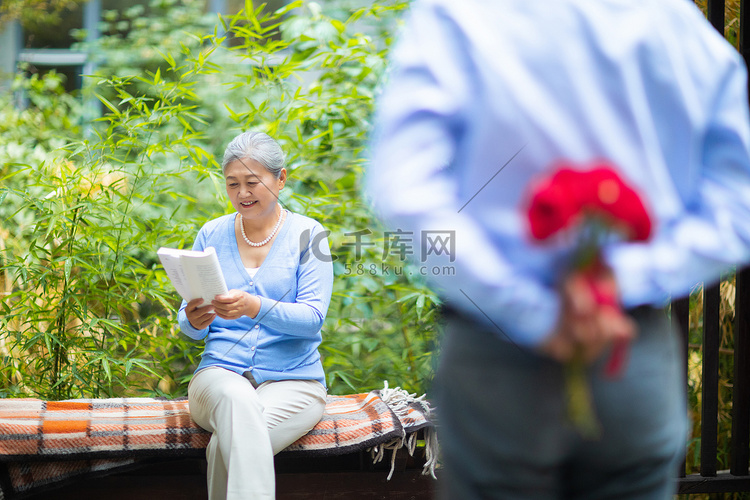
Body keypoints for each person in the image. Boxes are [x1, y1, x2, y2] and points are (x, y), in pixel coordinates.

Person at [366, 0, 750, 498]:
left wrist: (529, 309)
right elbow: (737, 208)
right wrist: (622, 281)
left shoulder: (457, 16)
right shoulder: (676, 22)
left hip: (497, 363)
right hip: (630, 354)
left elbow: (404, 194)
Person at [179, 131, 334, 500]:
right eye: (233, 184)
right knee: (236, 398)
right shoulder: (211, 233)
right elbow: (187, 323)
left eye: (253, 182)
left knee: (223, 447)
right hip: (218, 378)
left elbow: (313, 318)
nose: (242, 193)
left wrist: (255, 306)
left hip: (296, 384)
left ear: (281, 179)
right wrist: (193, 320)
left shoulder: (310, 235)